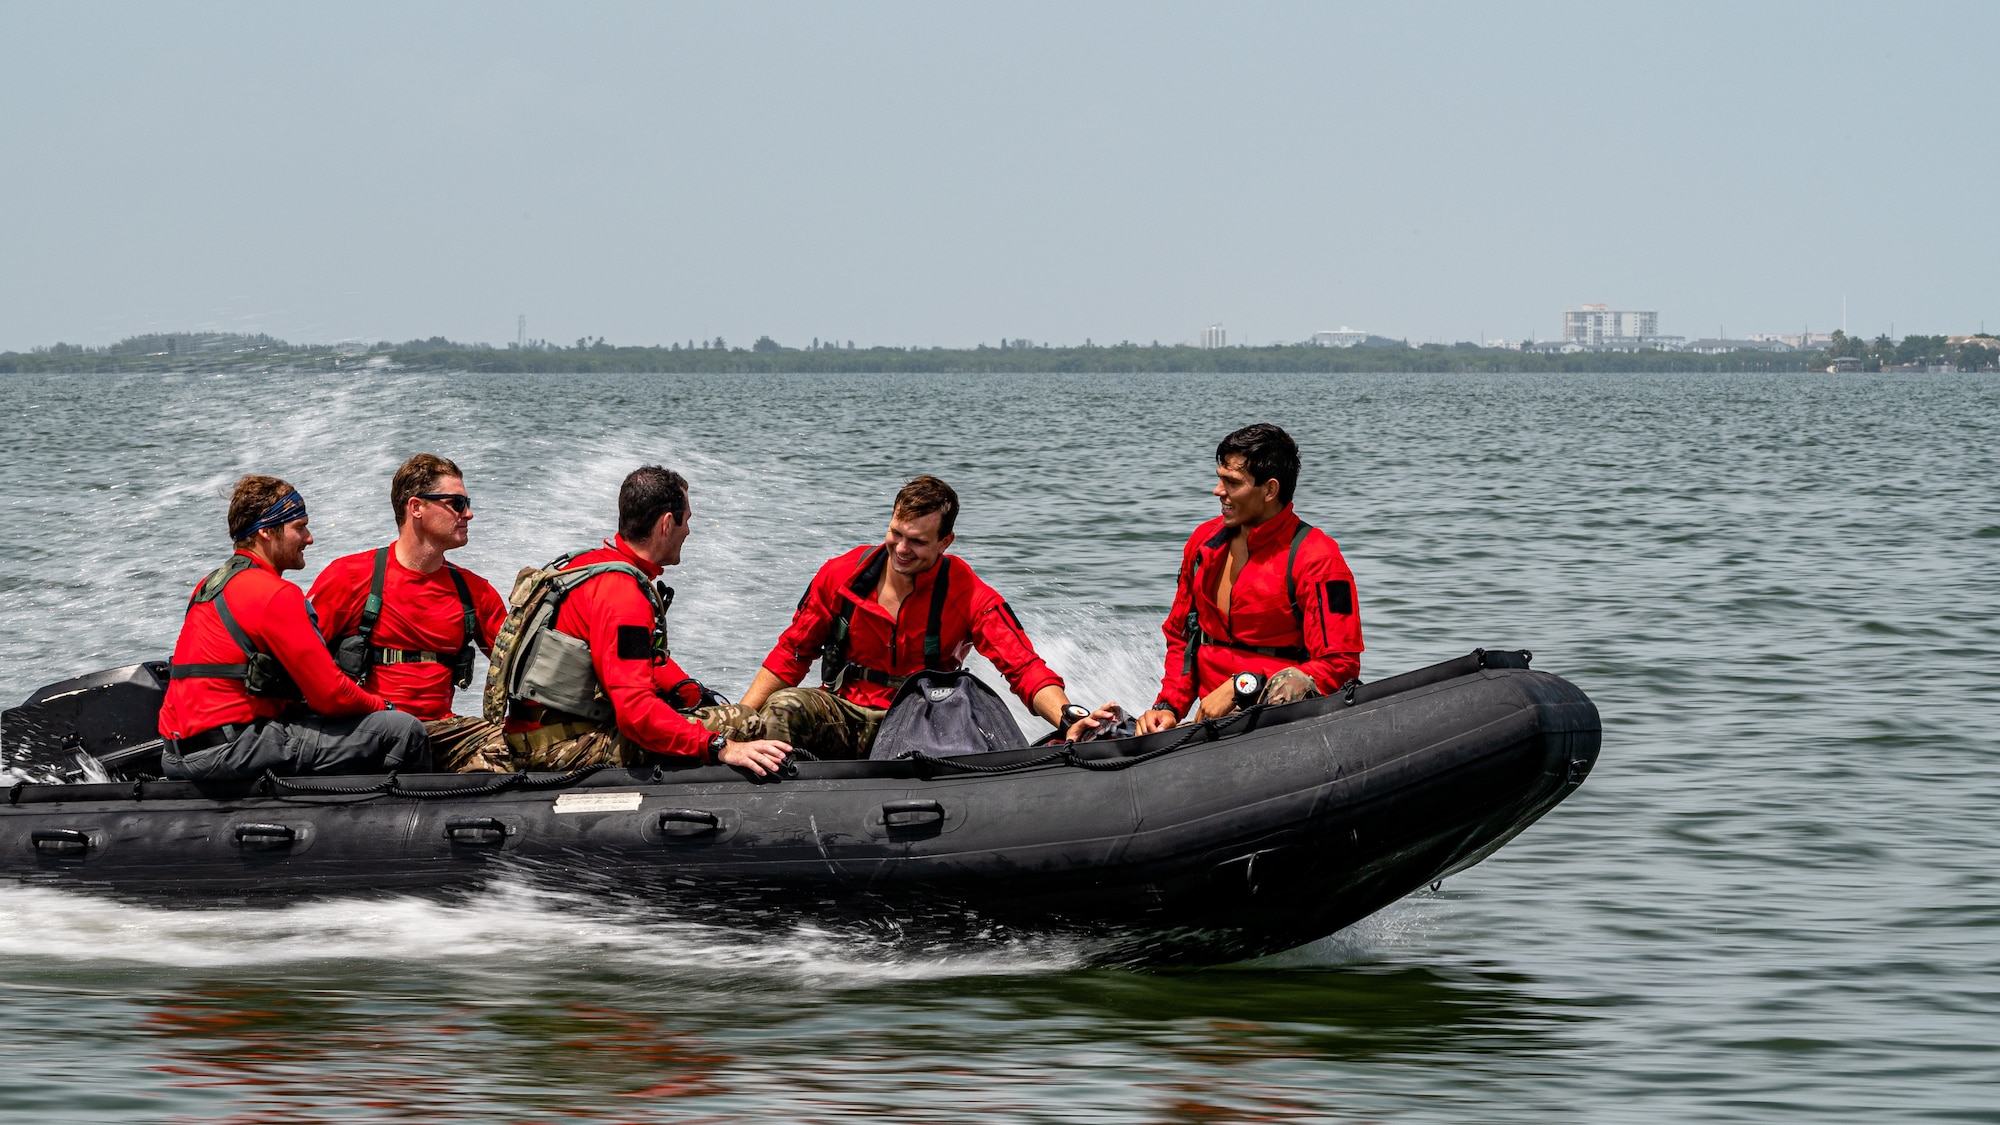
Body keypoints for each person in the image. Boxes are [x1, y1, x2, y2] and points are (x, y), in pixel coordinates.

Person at [710, 475, 1118, 759]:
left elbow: (1024, 667)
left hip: (926, 722)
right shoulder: (839, 576)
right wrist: (745, 722)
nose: (902, 549)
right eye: (896, 533)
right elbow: (790, 655)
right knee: (786, 707)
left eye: (918, 541)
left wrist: (1068, 715)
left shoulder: (971, 594)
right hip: (848, 714)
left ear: (946, 541)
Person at [495, 465, 791, 776]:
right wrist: (721, 746)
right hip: (557, 744)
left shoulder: (587, 565)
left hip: (535, 731)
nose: (688, 531)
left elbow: (637, 661)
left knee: (702, 711)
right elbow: (635, 713)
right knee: (744, 720)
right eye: (686, 520)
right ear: (666, 524)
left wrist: (695, 694)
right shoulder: (623, 596)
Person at [157, 475, 429, 780]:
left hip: (175, 754)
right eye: (299, 527)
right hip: (231, 751)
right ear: (265, 532)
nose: (309, 538)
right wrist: (384, 705)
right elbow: (331, 695)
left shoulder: (210, 585)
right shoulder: (276, 594)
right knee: (403, 732)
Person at [1135, 424, 1363, 735]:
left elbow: (1339, 666)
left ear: (1270, 490)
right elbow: (1182, 639)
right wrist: (1168, 707)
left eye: (1231, 482)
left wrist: (1243, 685)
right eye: (1219, 478)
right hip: (1210, 729)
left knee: (1291, 683)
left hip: (1285, 726)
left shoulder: (1319, 560)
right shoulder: (1202, 543)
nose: (1218, 491)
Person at [309, 454, 510, 772]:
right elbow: (300, 664)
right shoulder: (348, 577)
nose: (468, 514)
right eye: (457, 503)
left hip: (440, 733)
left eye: (467, 502)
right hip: (364, 731)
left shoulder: (475, 592)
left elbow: (523, 663)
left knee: (518, 748)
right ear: (416, 507)